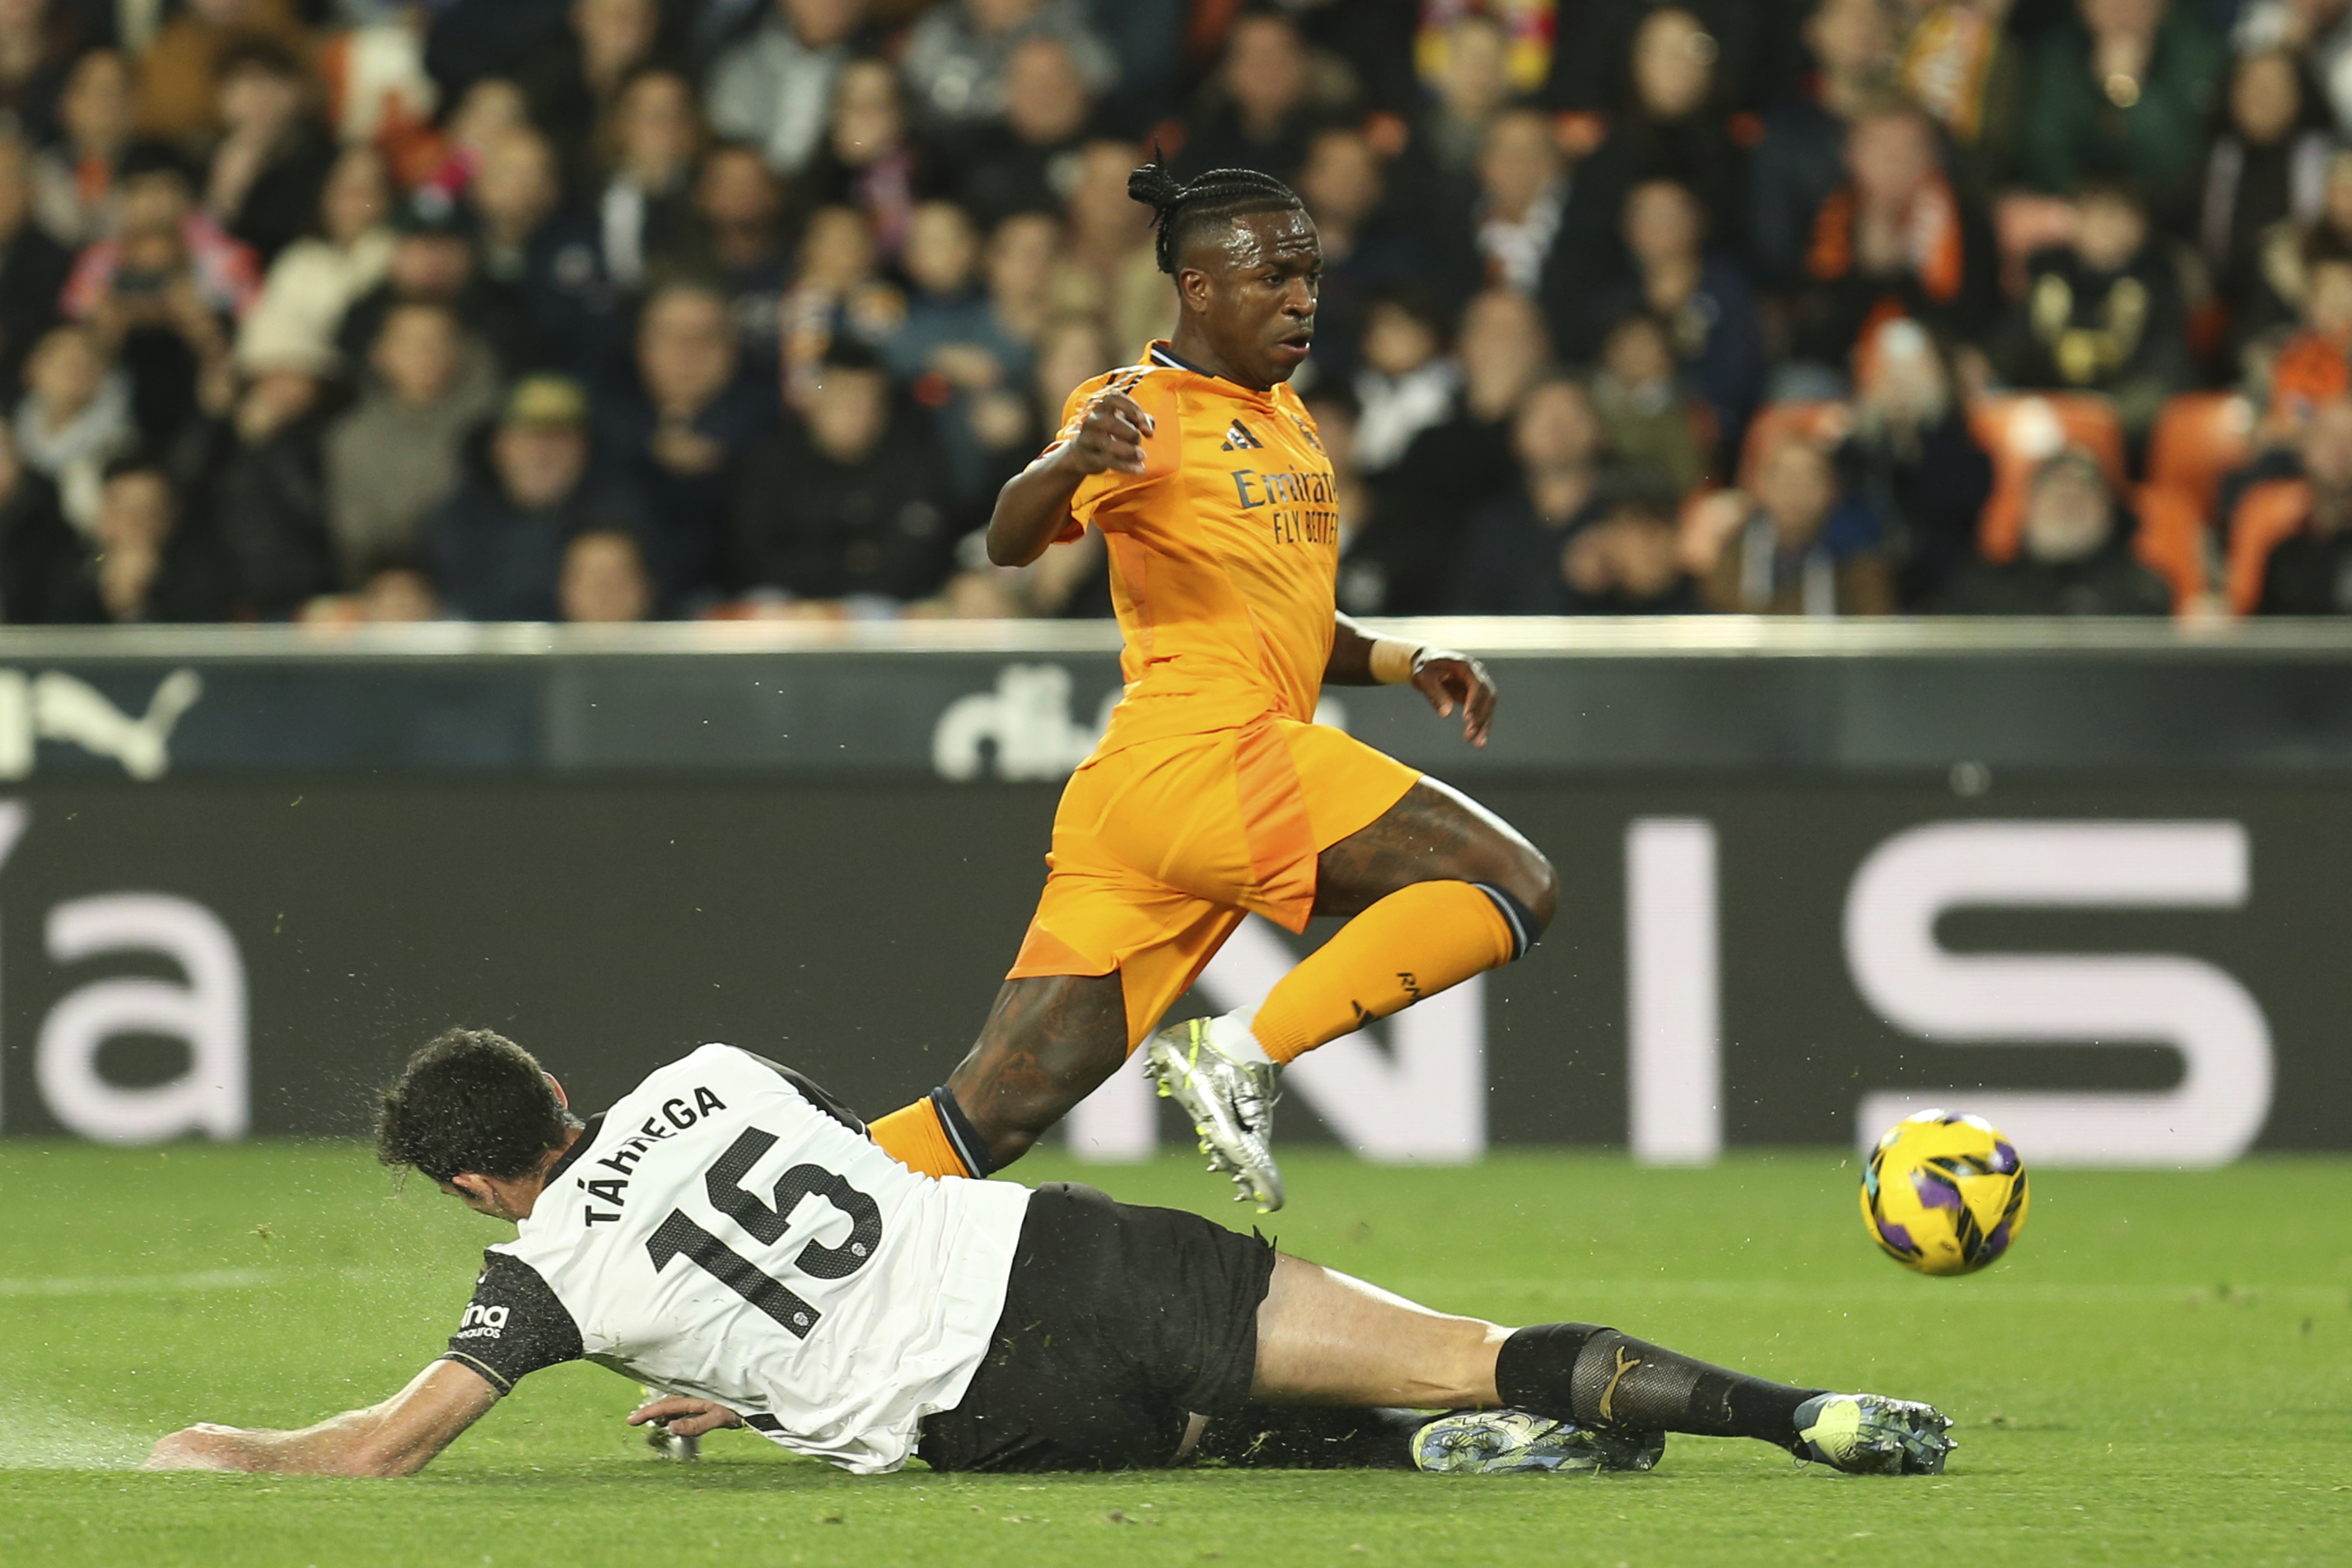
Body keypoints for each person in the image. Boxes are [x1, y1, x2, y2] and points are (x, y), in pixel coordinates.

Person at [143, 1030, 1958, 1479]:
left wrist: (226, 1446)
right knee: (1465, 1341)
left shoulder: (541, 1283)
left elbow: (388, 1445)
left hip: (997, 1406)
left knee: (1217, 1440)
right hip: (1076, 1254)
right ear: (558, 1078)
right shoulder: (707, 1069)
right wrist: (740, 1368)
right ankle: (1805, 1413)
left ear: (478, 1185)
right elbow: (835, 1188)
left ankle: (1409, 1451)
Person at [861, 161, 1554, 1215]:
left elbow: (1292, 621)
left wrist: (1400, 660)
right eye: (1276, 275)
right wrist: (1064, 463)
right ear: (1198, 288)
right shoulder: (1137, 406)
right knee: (1513, 881)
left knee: (987, 1115)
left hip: (1149, 799)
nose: (1303, 297)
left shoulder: (1286, 418)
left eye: (1311, 274)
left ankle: (748, 1261)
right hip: (1210, 750)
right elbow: (1008, 538)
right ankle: (1239, 1052)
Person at [1945, 447, 2172, 616]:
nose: (2068, 502)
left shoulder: (2145, 591)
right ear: (2029, 508)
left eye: (2083, 491)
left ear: (2109, 511)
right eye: (2055, 492)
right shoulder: (1979, 589)